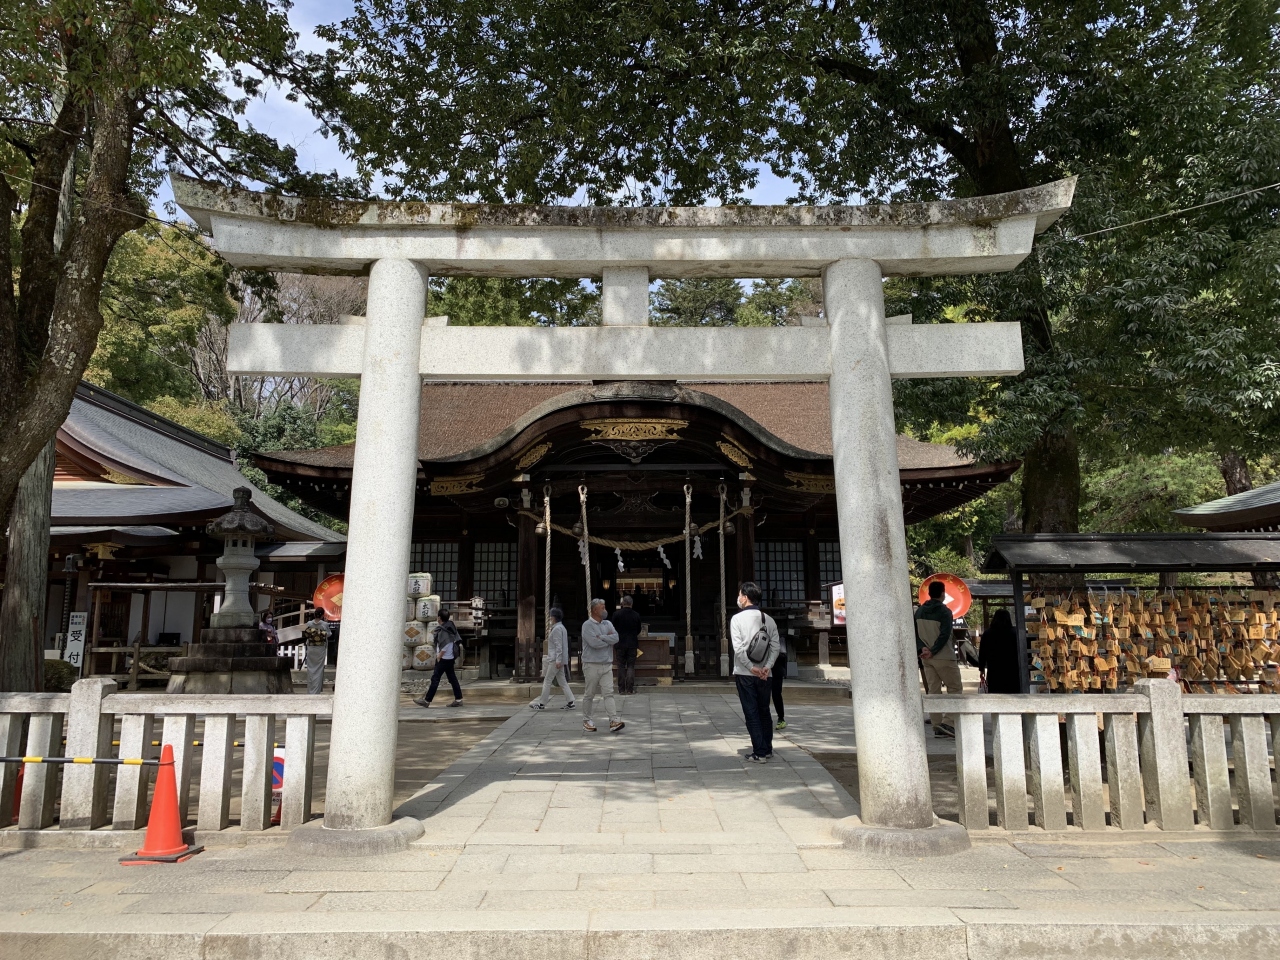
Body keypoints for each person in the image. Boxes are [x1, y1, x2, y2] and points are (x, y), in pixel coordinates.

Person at [730, 582, 779, 762]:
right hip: (766, 674)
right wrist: (767, 666)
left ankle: (759, 751)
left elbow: (738, 648)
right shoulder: (769, 619)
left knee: (751, 712)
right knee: (764, 710)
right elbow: (775, 647)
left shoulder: (737, 619)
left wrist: (751, 667)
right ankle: (767, 748)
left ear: (745, 597)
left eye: (739, 595)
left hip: (745, 673)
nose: (738, 598)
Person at [915, 580, 961, 737]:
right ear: (942, 593)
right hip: (944, 656)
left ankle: (936, 724)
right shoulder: (945, 612)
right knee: (955, 688)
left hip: (926, 657)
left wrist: (923, 649)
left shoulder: (919, 612)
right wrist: (933, 650)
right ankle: (948, 723)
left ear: (929, 593)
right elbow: (945, 635)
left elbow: (915, 633)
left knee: (933, 690)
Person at [580, 599, 624, 733]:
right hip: (591, 664)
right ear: (595, 610)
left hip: (606, 663)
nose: (605, 610)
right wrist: (607, 640)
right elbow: (594, 643)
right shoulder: (587, 625)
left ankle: (613, 720)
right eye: (602, 608)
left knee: (609, 693)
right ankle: (587, 720)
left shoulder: (608, 623)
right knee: (590, 693)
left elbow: (616, 638)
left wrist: (602, 637)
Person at [414, 610, 464, 708]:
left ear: (440, 618)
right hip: (449, 658)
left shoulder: (444, 630)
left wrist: (439, 656)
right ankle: (458, 699)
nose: (437, 618)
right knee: (452, 679)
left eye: (438, 616)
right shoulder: (450, 627)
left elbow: (446, 644)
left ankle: (427, 700)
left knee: (435, 679)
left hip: (443, 659)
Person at [531, 607, 576, 710]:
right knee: (562, 681)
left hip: (555, 659)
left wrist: (558, 660)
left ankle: (542, 703)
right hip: (559, 659)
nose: (550, 618)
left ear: (554, 617)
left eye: (551, 616)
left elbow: (558, 645)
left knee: (547, 680)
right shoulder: (562, 628)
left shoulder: (556, 629)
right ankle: (571, 702)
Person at [977, 608, 1021, 693]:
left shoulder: (987, 634)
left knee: (996, 694)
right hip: (1013, 670)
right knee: (1013, 694)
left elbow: (982, 653)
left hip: (994, 670)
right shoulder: (1015, 633)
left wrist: (981, 669)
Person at [610, 596, 642, 694]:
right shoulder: (636, 615)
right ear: (632, 604)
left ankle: (621, 689)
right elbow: (639, 629)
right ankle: (629, 689)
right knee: (631, 666)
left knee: (621, 665)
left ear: (622, 603)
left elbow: (612, 628)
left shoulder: (616, 614)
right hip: (632, 643)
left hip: (619, 642)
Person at [300, 609, 330, 695]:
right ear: (322, 615)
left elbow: (306, 634)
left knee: (310, 669)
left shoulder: (309, 623)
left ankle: (310, 691)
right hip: (320, 648)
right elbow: (328, 634)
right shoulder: (324, 624)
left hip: (311, 647)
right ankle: (316, 691)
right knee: (319, 669)